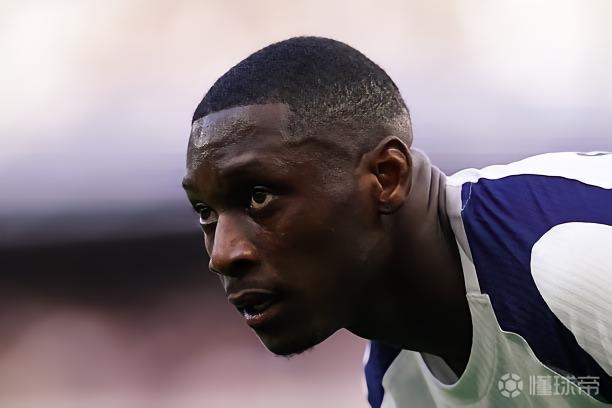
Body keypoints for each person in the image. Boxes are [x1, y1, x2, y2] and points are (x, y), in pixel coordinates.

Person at [181, 36, 612, 407]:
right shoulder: (396, 384)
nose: (222, 255)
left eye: (259, 197)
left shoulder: (573, 254)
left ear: (386, 177)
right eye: (205, 213)